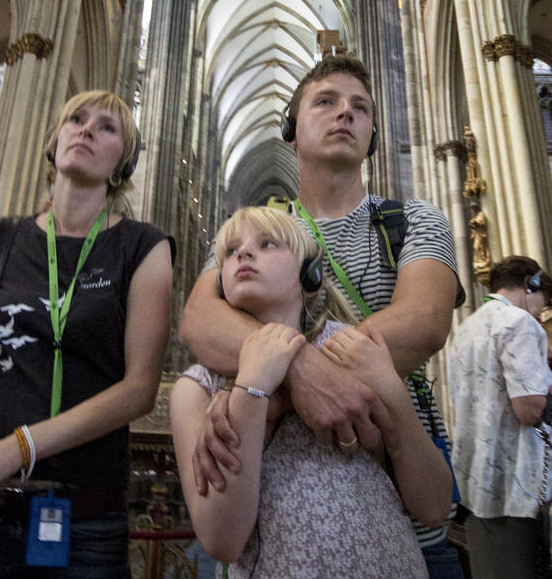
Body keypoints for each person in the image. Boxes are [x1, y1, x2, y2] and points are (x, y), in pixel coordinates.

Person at [179, 54, 464, 579]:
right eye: (326, 102)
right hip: (276, 524)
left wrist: (275, 380)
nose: (345, 114)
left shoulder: (412, 221)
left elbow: (424, 321)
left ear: (373, 134)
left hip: (403, 512)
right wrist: (304, 371)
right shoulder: (259, 233)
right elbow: (199, 319)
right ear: (292, 131)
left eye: (360, 107)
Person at [0, 90, 175, 578]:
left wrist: (15, 449)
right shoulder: (0, 238)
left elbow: (140, 388)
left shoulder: (142, 246)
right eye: (75, 119)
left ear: (124, 163)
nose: (85, 130)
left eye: (107, 127)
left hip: (84, 519)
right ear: (53, 140)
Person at [172, 207, 452, 578]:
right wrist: (252, 388)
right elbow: (223, 540)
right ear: (220, 282)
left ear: (311, 275)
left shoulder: (351, 352)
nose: (244, 253)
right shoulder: (197, 390)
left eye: (268, 244)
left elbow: (433, 507)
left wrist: (389, 389)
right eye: (230, 251)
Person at [449, 256, 552, 579]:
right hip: (517, 484)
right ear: (530, 285)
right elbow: (529, 408)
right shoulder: (519, 322)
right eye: (543, 303)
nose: (540, 312)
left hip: (477, 481)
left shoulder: (467, 327)